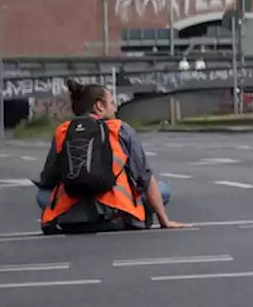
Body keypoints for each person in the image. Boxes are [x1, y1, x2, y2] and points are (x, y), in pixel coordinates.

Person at [35, 79, 185, 233]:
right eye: (112, 103)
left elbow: (48, 179)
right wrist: (164, 220)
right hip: (116, 213)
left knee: (42, 196)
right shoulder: (119, 129)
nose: (115, 107)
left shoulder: (63, 131)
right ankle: (136, 214)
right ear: (99, 106)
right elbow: (144, 178)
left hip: (71, 217)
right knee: (163, 190)